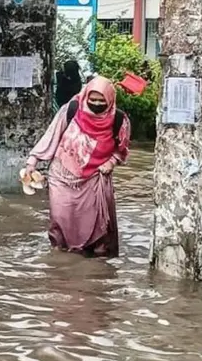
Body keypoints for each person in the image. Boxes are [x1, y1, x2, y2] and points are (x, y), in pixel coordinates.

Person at [22, 76, 130, 258]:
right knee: (60, 219)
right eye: (92, 99)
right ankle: (60, 258)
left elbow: (122, 150)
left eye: (101, 100)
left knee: (96, 226)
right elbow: (51, 137)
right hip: (61, 176)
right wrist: (32, 162)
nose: (96, 104)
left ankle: (92, 262)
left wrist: (110, 162)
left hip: (95, 178)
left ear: (110, 99)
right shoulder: (71, 110)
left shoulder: (119, 120)